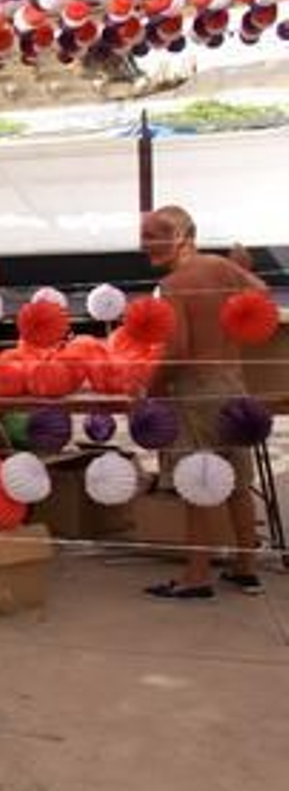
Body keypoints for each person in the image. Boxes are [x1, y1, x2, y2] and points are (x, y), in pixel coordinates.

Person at [140, 206, 267, 600]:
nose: (145, 244)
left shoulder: (174, 285)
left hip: (197, 390)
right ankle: (246, 567)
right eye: (144, 235)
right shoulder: (221, 267)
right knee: (237, 481)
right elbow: (261, 293)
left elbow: (178, 350)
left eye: (154, 235)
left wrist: (152, 387)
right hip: (233, 382)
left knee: (198, 481)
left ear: (182, 236)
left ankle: (196, 575)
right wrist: (239, 271)